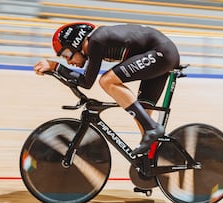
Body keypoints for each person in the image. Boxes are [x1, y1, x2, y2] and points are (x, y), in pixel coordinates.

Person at [33, 22, 180, 155]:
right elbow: (82, 81)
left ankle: (152, 128)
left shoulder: (95, 41)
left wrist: (55, 67)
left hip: (161, 53)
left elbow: (86, 82)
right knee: (142, 114)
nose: (68, 61)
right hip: (163, 53)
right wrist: (55, 70)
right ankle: (151, 168)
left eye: (66, 55)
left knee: (107, 81)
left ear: (76, 43)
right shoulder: (98, 40)